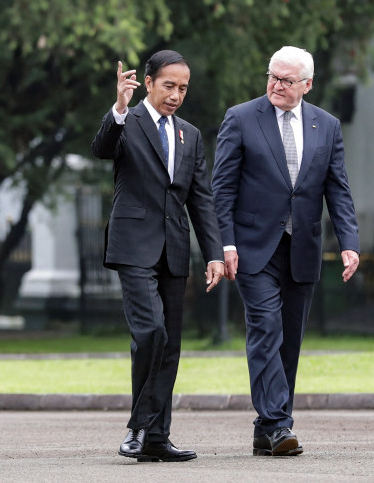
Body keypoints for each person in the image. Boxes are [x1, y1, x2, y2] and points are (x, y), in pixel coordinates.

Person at [212, 46, 360, 456]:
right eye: (272, 77)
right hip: (252, 248)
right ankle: (279, 424)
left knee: (289, 340)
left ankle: (265, 428)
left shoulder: (326, 125)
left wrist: (349, 243)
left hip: (303, 248)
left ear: (307, 85)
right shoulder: (240, 118)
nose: (276, 85)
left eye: (286, 80)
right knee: (265, 329)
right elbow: (221, 189)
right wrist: (225, 242)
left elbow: (338, 189)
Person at [91, 50, 224, 462]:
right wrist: (117, 106)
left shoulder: (190, 134)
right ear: (148, 83)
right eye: (168, 85)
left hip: (174, 248)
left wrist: (215, 254)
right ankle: (138, 425)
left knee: (170, 345)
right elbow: (101, 148)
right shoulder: (126, 122)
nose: (176, 95)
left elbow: (200, 199)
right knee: (152, 333)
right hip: (132, 246)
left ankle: (156, 438)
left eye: (183, 88)